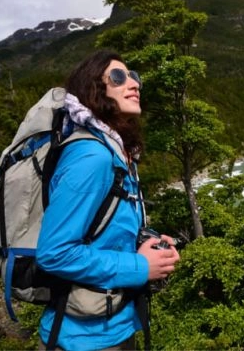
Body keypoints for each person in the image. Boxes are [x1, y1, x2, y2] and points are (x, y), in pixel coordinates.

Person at [36, 50, 180, 350]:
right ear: (93, 90)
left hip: (112, 327)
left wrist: (147, 249)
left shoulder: (114, 153)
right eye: (118, 77)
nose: (134, 83)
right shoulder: (92, 158)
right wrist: (141, 267)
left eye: (134, 76)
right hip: (83, 339)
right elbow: (55, 252)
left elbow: (101, 234)